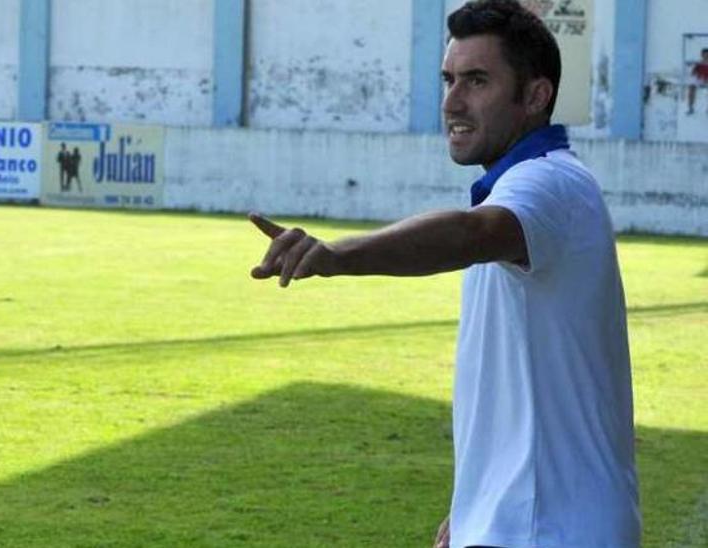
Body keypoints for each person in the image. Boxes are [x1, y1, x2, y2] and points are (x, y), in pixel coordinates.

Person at [247, 1, 638, 547]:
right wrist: (474, 508)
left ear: (535, 96)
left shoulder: (548, 183)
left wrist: (338, 256)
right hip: (520, 522)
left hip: (546, 530)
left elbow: (471, 234)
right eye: (448, 79)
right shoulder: (531, 184)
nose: (453, 100)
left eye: (477, 80)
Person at [687, 48, 708, 115]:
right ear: (702, 55)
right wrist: (692, 68)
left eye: (706, 55)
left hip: (706, 78)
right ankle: (691, 107)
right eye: (704, 54)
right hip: (700, 78)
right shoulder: (699, 62)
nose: (705, 56)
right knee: (691, 87)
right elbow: (693, 72)